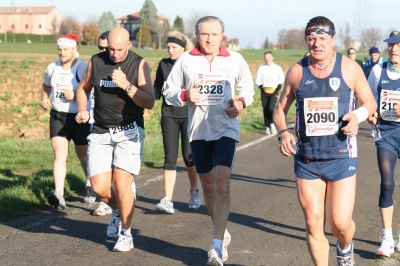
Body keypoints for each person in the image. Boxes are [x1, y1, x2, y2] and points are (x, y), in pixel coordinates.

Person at [273, 16, 376, 266]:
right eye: (311, 38)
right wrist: (283, 132)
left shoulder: (349, 68)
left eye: (322, 38)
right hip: (307, 158)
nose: (316, 43)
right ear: (306, 40)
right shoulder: (297, 71)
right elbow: (279, 109)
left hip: (341, 156)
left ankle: (345, 247)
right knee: (312, 223)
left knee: (340, 223)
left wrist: (357, 115)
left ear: (333, 39)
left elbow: (369, 102)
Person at [163, 16, 254, 266]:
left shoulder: (234, 59)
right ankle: (222, 232)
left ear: (222, 35)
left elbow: (248, 88)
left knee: (222, 184)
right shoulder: (186, 60)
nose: (210, 39)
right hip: (199, 131)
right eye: (205, 34)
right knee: (208, 185)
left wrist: (240, 103)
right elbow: (168, 90)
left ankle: (215, 247)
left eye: (215, 34)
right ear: (197, 35)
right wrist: (184, 94)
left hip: (226, 128)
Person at [75, 27, 154, 252]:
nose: (115, 54)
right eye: (111, 49)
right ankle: (119, 210)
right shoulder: (96, 61)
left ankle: (126, 234)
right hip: (100, 129)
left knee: (121, 183)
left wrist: (127, 86)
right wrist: (82, 109)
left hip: (129, 130)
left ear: (129, 44)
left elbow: (149, 101)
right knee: (99, 188)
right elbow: (83, 88)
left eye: (119, 49)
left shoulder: (139, 64)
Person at [40, 33, 95, 209]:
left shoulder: (81, 67)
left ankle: (90, 184)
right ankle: (59, 194)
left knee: (83, 156)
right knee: (59, 154)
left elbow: (91, 91)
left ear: (74, 49)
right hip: (59, 116)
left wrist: (76, 96)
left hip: (79, 118)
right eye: (59, 49)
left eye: (65, 49)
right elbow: (46, 85)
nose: (62, 53)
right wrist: (44, 98)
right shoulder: (52, 68)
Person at [153, 31, 200, 214]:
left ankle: (194, 191)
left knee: (189, 157)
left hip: (189, 115)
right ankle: (168, 200)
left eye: (174, 47)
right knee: (170, 158)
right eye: (168, 47)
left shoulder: (190, 64)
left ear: (183, 48)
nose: (170, 50)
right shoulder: (164, 65)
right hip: (169, 115)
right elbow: (157, 89)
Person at [367, 30, 400, 258]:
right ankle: (386, 237)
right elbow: (368, 99)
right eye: (391, 45)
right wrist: (370, 113)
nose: (394, 49)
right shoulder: (378, 70)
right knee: (387, 183)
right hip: (386, 133)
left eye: (398, 45)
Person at [255, 51, 285, 135]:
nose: (267, 59)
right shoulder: (261, 68)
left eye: (268, 57)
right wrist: (260, 85)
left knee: (271, 108)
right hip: (264, 90)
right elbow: (258, 78)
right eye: (266, 57)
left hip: (273, 90)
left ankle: (272, 124)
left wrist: (279, 84)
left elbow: (281, 76)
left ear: (272, 58)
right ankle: (267, 126)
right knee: (265, 109)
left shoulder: (277, 68)